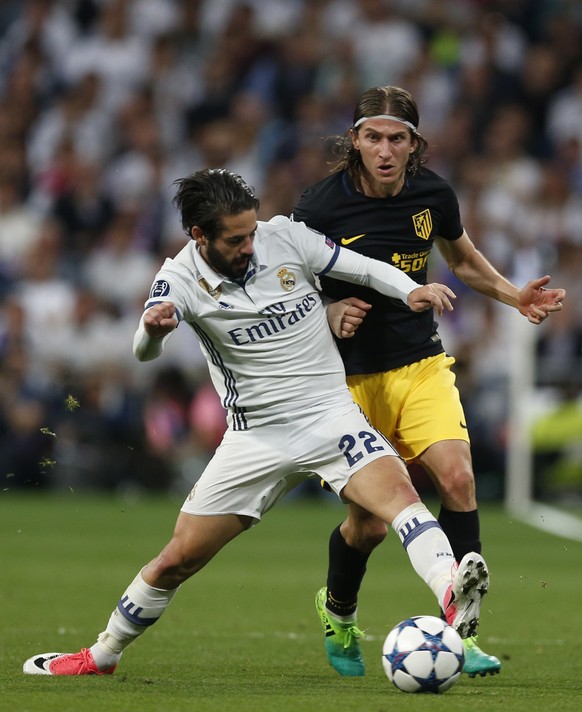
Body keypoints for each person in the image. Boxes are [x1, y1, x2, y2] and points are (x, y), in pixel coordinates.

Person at [23, 167, 489, 677]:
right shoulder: (178, 278)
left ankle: (452, 589)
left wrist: (409, 292)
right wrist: (152, 332)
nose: (250, 245)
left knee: (402, 503)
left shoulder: (286, 237)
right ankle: (102, 654)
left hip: (329, 415)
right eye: (236, 238)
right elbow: (142, 350)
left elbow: (364, 268)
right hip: (256, 438)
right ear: (199, 236)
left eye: (252, 231)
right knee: (177, 558)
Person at [292, 85, 566, 679]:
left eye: (397, 139)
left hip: (419, 366)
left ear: (414, 144)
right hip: (347, 382)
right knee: (368, 524)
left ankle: (461, 633)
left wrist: (514, 296)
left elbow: (462, 260)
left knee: (459, 478)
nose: (385, 150)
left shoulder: (432, 193)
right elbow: (282, 290)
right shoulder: (318, 207)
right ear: (354, 141)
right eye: (373, 138)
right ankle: (338, 609)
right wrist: (331, 309)